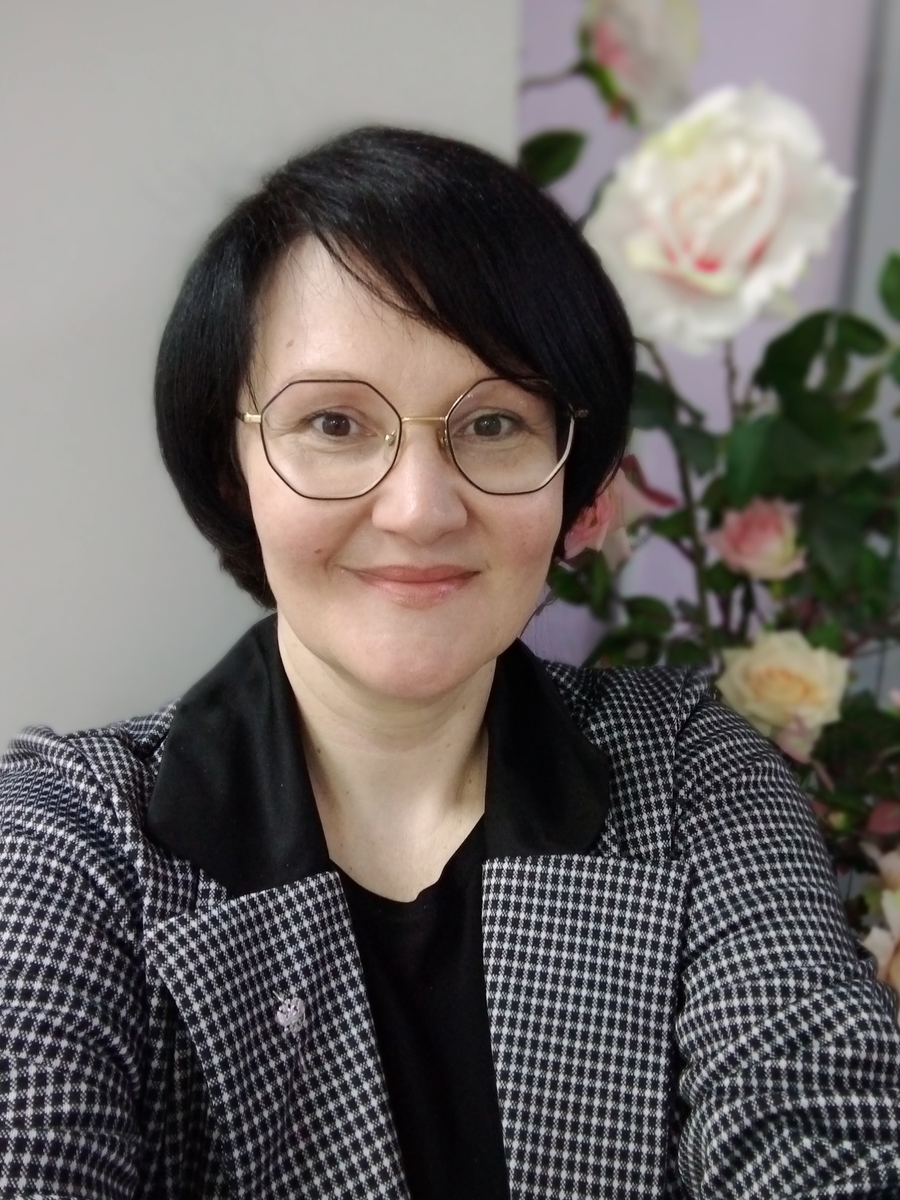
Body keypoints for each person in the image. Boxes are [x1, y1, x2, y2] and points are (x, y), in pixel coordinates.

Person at [1, 126, 899, 1200]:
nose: (420, 509)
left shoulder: (693, 781)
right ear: (234, 468)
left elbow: (817, 1125)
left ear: (581, 490)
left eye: (494, 423)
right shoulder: (74, 838)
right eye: (334, 421)